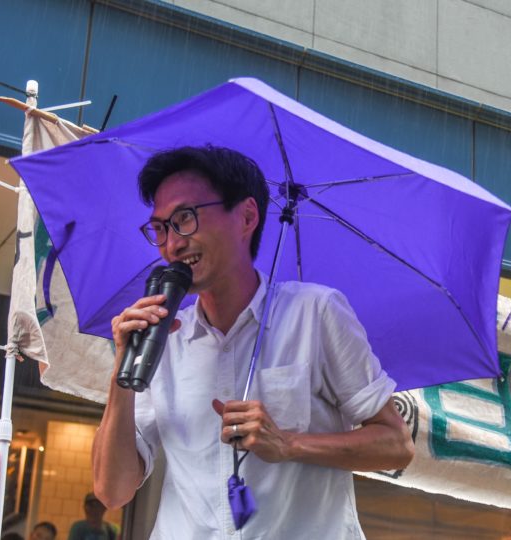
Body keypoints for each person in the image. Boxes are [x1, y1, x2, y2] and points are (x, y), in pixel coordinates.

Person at [92, 145, 414, 538]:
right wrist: (121, 375)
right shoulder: (162, 339)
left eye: (185, 219)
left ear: (246, 216)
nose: (172, 245)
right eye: (160, 228)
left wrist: (290, 444)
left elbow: (396, 444)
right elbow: (112, 491)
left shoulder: (316, 313)